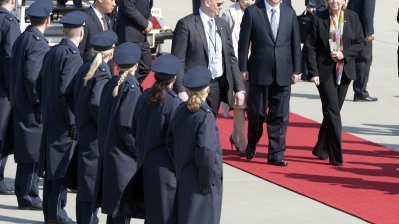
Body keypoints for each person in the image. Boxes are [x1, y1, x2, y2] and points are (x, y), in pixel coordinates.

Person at [37, 11, 87, 224]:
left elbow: (39, 85)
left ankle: (51, 215)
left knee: (51, 175)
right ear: (82, 32)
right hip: (64, 127)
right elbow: (67, 93)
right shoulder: (72, 56)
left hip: (51, 121)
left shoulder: (53, 52)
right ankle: (57, 216)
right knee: (59, 174)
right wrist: (73, 122)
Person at [238, 0, 301, 166]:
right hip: (259, 71)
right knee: (256, 114)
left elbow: (295, 43)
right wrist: (243, 67)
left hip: (284, 72)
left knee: (280, 116)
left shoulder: (289, 13)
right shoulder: (253, 12)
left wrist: (297, 70)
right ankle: (252, 142)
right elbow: (243, 42)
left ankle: (276, 154)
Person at [305, 0, 364, 166]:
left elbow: (360, 42)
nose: (334, 1)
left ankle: (320, 148)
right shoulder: (319, 18)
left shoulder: (352, 17)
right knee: (332, 111)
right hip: (324, 72)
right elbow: (310, 46)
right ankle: (336, 155)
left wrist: (343, 54)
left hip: (344, 72)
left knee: (333, 111)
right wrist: (313, 72)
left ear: (345, 1)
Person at [10, 0, 53, 210]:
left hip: (20, 103)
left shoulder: (24, 37)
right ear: (48, 19)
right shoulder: (37, 42)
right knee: (32, 154)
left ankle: (24, 192)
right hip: (31, 107)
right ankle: (29, 196)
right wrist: (39, 102)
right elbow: (33, 77)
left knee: (26, 153)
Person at [166, 65, 223, 224]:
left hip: (184, 175)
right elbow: (206, 151)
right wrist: (206, 181)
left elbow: (169, 140)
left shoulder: (181, 109)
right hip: (201, 182)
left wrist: (179, 162)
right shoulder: (205, 116)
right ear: (207, 89)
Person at [172, 0, 246, 116]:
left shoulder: (223, 24)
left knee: (209, 125)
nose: (221, 7)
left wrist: (239, 88)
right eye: (219, 4)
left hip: (215, 86)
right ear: (207, 2)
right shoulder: (186, 24)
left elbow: (231, 58)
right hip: (194, 88)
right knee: (192, 125)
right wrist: (181, 90)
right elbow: (178, 61)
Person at [74, 30, 117, 224]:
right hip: (94, 137)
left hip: (85, 132)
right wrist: (105, 126)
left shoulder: (86, 67)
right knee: (90, 184)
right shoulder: (102, 71)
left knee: (85, 185)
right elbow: (97, 103)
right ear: (111, 51)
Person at [96, 42, 141, 224]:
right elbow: (126, 126)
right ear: (136, 65)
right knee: (120, 212)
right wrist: (138, 150)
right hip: (124, 159)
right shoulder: (131, 88)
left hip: (112, 153)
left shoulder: (113, 82)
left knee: (114, 211)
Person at [221, 0, 255, 155]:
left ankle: (235, 136)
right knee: (239, 104)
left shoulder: (257, 12)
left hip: (254, 65)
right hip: (234, 66)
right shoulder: (228, 15)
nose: (249, 2)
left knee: (248, 105)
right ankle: (242, 143)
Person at [0, 0, 20, 195]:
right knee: (1, 134)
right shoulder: (9, 22)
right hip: (3, 90)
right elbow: (9, 58)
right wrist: (12, 88)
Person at [116, 0, 153, 86]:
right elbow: (128, 8)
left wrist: (149, 21)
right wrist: (145, 24)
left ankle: (132, 87)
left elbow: (147, 9)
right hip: (129, 34)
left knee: (146, 66)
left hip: (142, 35)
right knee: (130, 69)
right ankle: (128, 90)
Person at [347, 0, 377, 102]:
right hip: (362, 29)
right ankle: (360, 92)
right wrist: (369, 32)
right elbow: (368, 10)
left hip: (351, 23)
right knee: (364, 59)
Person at [301, 0, 327, 81]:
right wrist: (309, 5)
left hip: (325, 9)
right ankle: (305, 72)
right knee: (309, 43)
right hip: (316, 10)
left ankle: (310, 72)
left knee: (315, 43)